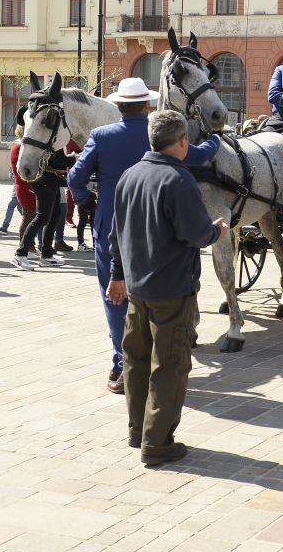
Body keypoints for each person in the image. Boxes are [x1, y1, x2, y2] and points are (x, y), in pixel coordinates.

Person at [68, 77, 221, 394]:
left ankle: (122, 362)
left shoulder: (101, 136)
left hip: (111, 228)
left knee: (115, 297)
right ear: (147, 107)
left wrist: (87, 202)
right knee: (156, 296)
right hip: (157, 230)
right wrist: (217, 141)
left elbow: (75, 178)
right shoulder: (156, 136)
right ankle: (156, 357)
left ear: (119, 106)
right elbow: (195, 155)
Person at [108, 110, 228, 467]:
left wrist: (117, 275)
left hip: (138, 288)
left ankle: (138, 431)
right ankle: (157, 443)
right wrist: (217, 231)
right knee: (170, 365)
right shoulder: (179, 179)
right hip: (172, 288)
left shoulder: (130, 175)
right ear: (182, 141)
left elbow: (115, 233)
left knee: (137, 361)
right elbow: (196, 233)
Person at [13, 144, 72, 270]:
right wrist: (76, 158)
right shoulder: (53, 140)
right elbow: (60, 161)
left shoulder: (54, 139)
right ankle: (20, 254)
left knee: (55, 215)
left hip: (51, 181)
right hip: (44, 182)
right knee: (41, 218)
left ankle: (46, 255)